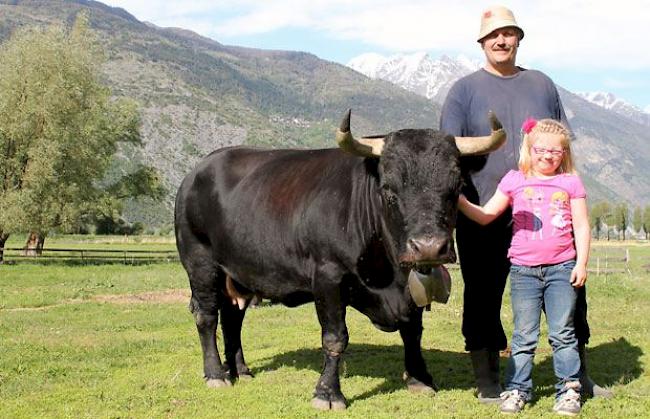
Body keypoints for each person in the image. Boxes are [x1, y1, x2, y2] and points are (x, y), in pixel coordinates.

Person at [438, 5, 611, 403]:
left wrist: (571, 193)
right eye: (493, 35)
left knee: (570, 291)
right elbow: (446, 153)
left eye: (509, 33)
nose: (501, 41)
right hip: (485, 210)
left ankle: (578, 375)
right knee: (482, 292)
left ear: (519, 38)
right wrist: (455, 204)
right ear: (482, 43)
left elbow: (560, 143)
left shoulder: (542, 84)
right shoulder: (463, 90)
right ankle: (487, 378)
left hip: (547, 215)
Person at [458, 118, 586, 415]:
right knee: (524, 335)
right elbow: (487, 214)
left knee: (563, 333)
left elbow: (581, 226)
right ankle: (517, 389)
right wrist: (459, 200)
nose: (547, 156)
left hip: (561, 269)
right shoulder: (515, 180)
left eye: (555, 151)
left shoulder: (570, 182)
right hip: (523, 272)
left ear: (564, 153)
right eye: (540, 149)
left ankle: (569, 390)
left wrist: (581, 263)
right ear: (530, 148)